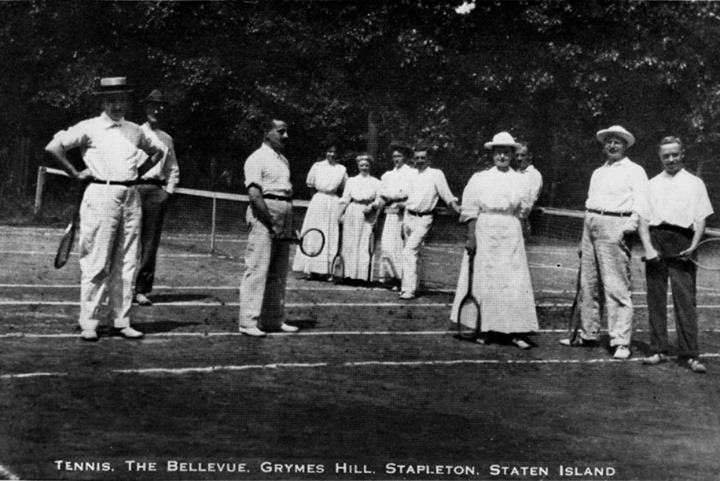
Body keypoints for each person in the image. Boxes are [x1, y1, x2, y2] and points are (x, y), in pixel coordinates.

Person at [44, 76, 168, 341]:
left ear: (127, 101)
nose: (117, 105)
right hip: (100, 194)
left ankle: (121, 321)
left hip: (131, 195)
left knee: (126, 261)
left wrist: (137, 174)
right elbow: (54, 147)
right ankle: (89, 321)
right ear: (103, 101)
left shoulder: (136, 130)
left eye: (121, 100)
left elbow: (159, 152)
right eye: (111, 100)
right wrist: (75, 173)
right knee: (96, 260)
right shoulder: (89, 127)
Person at [560, 125, 649, 359]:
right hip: (591, 223)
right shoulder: (598, 172)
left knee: (616, 286)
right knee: (588, 283)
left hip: (616, 226)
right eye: (608, 141)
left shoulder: (635, 170)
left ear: (625, 145)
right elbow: (591, 201)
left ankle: (621, 341)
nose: (611, 145)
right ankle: (588, 333)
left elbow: (641, 204)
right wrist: (586, 233)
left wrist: (627, 228)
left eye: (617, 142)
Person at [450, 132, 538, 349]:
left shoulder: (521, 180)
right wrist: (471, 237)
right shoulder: (479, 178)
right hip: (484, 231)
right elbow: (470, 209)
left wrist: (519, 230)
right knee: (485, 280)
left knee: (513, 281)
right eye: (498, 151)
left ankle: (514, 331)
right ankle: (486, 328)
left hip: (510, 231)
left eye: (507, 151)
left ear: (513, 154)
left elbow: (524, 210)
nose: (502, 156)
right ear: (492, 154)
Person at [637, 136, 712, 373]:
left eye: (674, 154)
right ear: (660, 157)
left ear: (682, 155)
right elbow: (642, 220)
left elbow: (700, 219)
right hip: (657, 241)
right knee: (656, 301)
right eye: (666, 155)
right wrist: (648, 248)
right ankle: (658, 349)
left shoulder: (695, 183)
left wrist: (693, 245)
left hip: (684, 243)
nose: (670, 159)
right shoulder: (651, 184)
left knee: (685, 302)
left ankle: (690, 354)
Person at [239, 119, 299, 337]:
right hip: (264, 214)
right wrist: (271, 223)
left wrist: (289, 225)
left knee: (278, 272)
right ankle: (248, 322)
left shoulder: (284, 160)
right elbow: (254, 195)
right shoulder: (256, 158)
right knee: (257, 268)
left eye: (286, 132)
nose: (285, 136)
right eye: (280, 132)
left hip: (284, 212)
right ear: (267, 133)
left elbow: (285, 194)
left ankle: (273, 319)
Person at [134, 89, 180, 306]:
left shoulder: (167, 139)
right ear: (146, 108)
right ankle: (123, 287)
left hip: (156, 192)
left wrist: (167, 193)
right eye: (152, 106)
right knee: (128, 240)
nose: (156, 110)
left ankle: (141, 289)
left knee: (150, 244)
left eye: (160, 106)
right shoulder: (134, 132)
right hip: (133, 190)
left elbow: (173, 168)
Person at [399, 144, 461, 300]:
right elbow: (405, 194)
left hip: (424, 218)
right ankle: (415, 285)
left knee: (409, 251)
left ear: (429, 159)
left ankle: (409, 289)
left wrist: (456, 207)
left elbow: (446, 194)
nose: (419, 161)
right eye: (417, 158)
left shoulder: (436, 174)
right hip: (408, 216)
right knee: (415, 253)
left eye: (423, 158)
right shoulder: (411, 174)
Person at [292, 145, 347, 280]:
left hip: (333, 203)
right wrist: (317, 201)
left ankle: (328, 270)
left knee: (330, 233)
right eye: (329, 151)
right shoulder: (317, 166)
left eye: (335, 152)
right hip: (317, 202)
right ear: (325, 153)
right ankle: (311, 268)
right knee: (314, 233)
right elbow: (310, 186)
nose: (332, 154)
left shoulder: (341, 169)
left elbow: (345, 189)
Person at [377, 141, 416, 288]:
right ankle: (392, 276)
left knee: (402, 247)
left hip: (406, 212)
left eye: (399, 156)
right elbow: (382, 196)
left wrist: (404, 204)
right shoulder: (387, 175)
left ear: (405, 157)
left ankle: (403, 279)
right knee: (387, 246)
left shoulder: (412, 173)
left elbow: (416, 195)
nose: (396, 159)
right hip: (391, 213)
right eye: (394, 156)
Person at [338, 153, 382, 282]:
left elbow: (379, 199)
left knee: (364, 243)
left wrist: (372, 206)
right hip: (352, 212)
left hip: (367, 214)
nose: (364, 167)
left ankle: (362, 275)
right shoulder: (351, 181)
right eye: (362, 165)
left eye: (366, 165)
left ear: (370, 166)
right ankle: (348, 274)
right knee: (349, 242)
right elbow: (346, 198)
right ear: (358, 166)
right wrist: (340, 214)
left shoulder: (376, 182)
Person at [515, 141, 543, 238]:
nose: (519, 158)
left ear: (530, 156)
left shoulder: (535, 175)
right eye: (517, 155)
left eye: (522, 155)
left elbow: (529, 202)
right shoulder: (514, 174)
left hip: (521, 222)